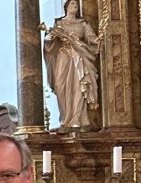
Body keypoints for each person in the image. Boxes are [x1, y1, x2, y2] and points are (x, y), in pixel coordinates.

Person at [41, 0, 100, 130]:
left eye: (76, 5)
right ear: (66, 7)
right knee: (61, 86)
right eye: (72, 4)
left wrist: (101, 40)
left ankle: (77, 119)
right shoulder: (59, 23)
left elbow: (92, 38)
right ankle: (65, 118)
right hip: (63, 57)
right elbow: (49, 40)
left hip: (78, 58)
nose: (75, 6)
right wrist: (48, 38)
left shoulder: (83, 24)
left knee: (78, 86)